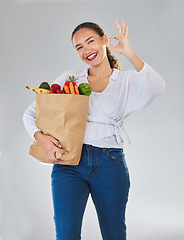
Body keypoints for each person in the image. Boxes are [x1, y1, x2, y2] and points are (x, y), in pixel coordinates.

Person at [23, 19, 165, 240]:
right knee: (66, 235)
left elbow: (157, 85)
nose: (86, 50)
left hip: (110, 163)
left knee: (114, 234)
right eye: (79, 47)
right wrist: (40, 138)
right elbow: (31, 113)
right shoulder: (71, 78)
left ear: (105, 40)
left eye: (90, 41)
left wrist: (128, 52)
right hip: (69, 164)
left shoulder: (125, 81)